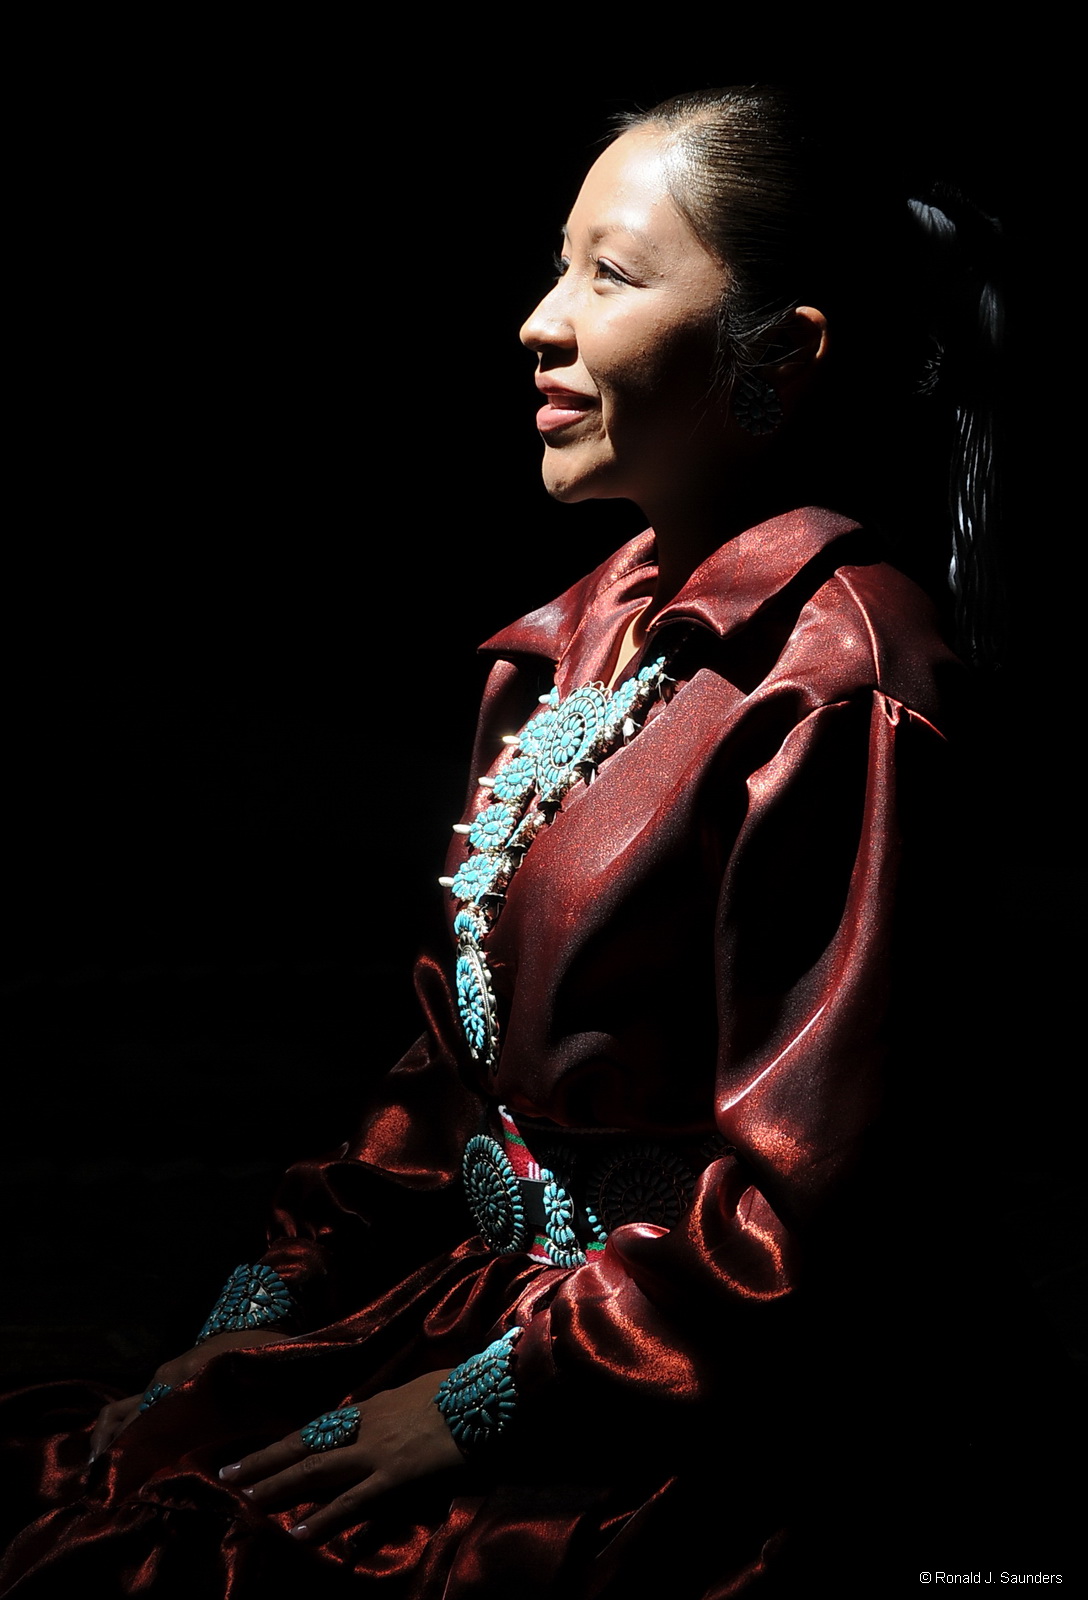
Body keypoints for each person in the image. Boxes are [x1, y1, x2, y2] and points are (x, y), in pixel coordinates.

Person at [0, 87, 1002, 1596]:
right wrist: (253, 1315)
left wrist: (475, 1411)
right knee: (124, 1470)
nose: (542, 321)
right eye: (557, 264)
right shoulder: (575, 638)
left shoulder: (843, 682)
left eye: (614, 274)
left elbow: (813, 1212)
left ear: (780, 354)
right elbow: (441, 1078)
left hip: (700, 1403)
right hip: (505, 1306)